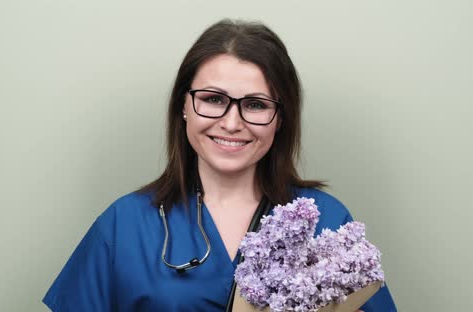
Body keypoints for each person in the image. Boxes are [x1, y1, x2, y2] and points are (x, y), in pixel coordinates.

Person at [42, 19, 397, 311]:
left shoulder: (328, 220)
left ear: (280, 118)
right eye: (213, 99)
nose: (231, 123)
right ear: (183, 107)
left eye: (256, 105)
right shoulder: (124, 226)